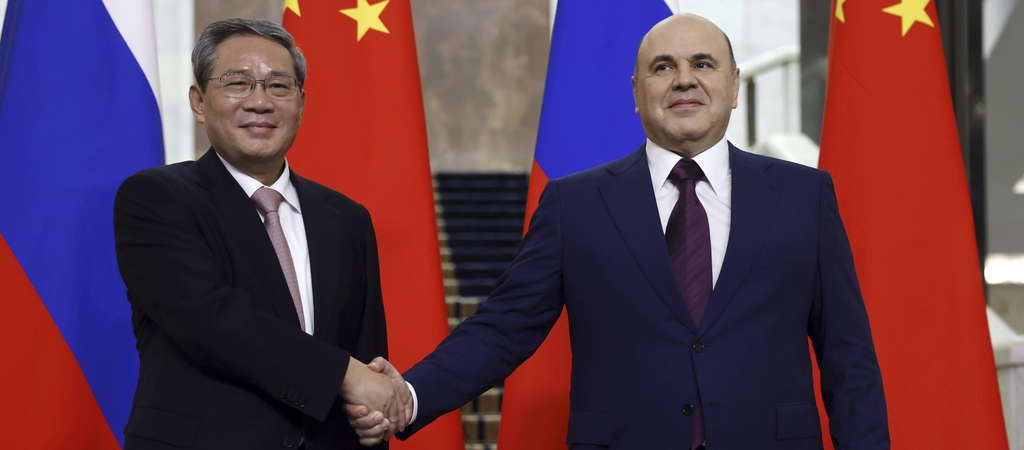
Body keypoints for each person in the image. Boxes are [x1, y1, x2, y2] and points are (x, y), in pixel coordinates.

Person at [351, 13, 889, 449]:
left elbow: (849, 359)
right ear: (636, 92)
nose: (684, 79)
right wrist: (410, 394)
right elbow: (503, 328)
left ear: (734, 86)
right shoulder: (575, 204)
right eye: (663, 66)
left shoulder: (804, 196)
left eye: (703, 64)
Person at [113, 18, 410, 450]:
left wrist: (373, 418)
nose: (259, 102)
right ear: (199, 102)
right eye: (237, 83)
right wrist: (346, 375)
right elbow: (212, 320)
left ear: (301, 105)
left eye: (278, 86)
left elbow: (368, 358)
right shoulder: (156, 198)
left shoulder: (347, 218)